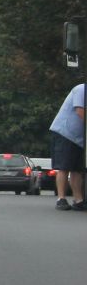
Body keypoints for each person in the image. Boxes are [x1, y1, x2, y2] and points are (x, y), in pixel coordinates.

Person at [49, 82, 85, 211]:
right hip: (65, 133)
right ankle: (61, 198)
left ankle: (78, 200)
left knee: (77, 169)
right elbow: (80, 111)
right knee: (64, 167)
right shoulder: (81, 89)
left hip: (80, 139)